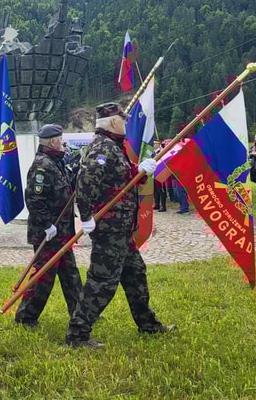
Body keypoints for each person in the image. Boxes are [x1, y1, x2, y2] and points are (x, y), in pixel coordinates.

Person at [66, 103, 175, 348]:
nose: (126, 123)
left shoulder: (113, 146)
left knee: (136, 274)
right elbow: (84, 183)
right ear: (114, 122)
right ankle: (77, 334)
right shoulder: (102, 148)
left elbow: (120, 179)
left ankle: (147, 325)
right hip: (110, 229)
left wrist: (139, 171)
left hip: (122, 229)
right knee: (101, 282)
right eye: (123, 120)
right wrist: (86, 217)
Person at [14, 124, 83, 329]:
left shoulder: (56, 162)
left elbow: (67, 187)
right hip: (49, 233)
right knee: (44, 276)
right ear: (53, 142)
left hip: (62, 231)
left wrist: (76, 168)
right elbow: (35, 199)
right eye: (61, 141)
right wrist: (46, 225)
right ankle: (26, 317)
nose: (63, 144)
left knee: (70, 274)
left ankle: (81, 313)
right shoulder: (42, 166)